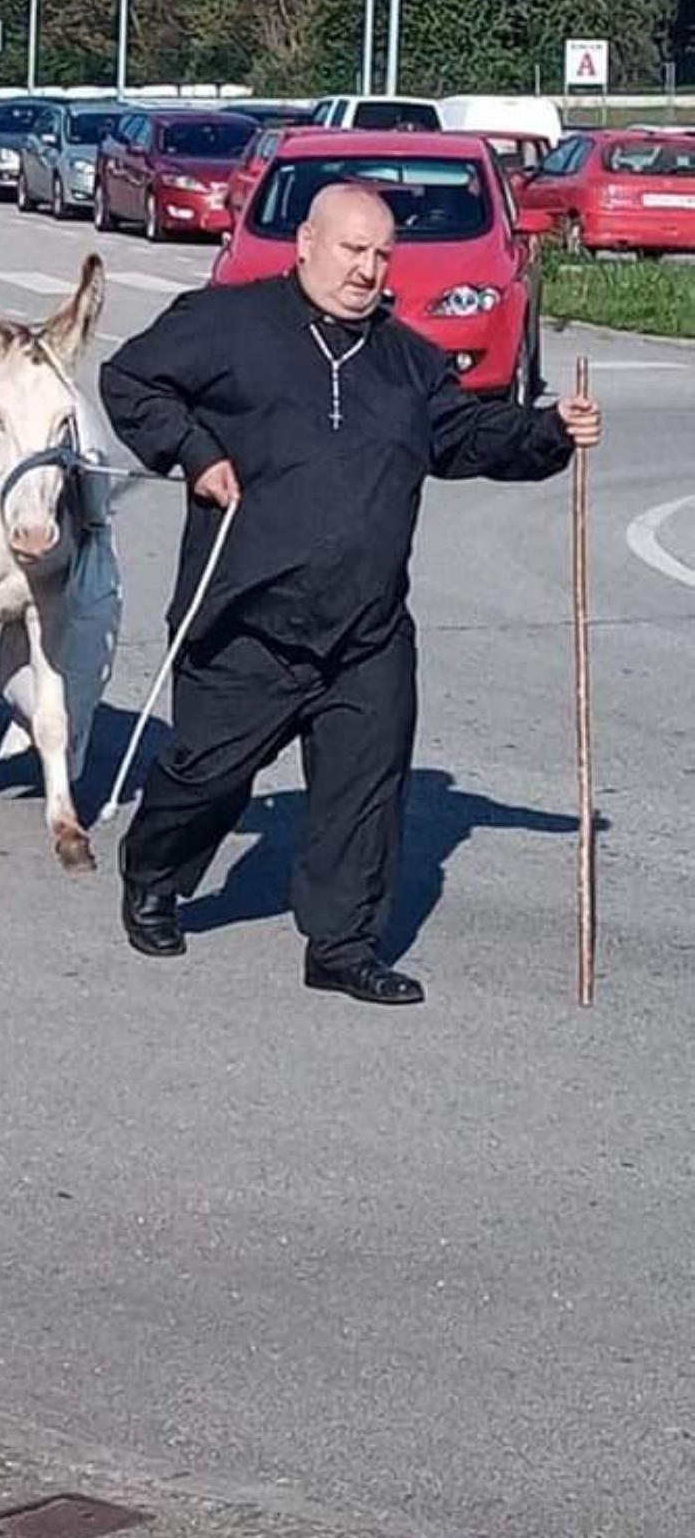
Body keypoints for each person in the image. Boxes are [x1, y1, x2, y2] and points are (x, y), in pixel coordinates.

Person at [98, 182, 602, 1005]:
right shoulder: (228, 322)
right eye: (351, 250)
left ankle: (341, 946)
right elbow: (131, 381)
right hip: (246, 619)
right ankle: (154, 872)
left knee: (363, 790)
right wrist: (193, 452)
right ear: (305, 244)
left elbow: (464, 436)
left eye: (380, 255)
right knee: (207, 776)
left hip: (363, 629)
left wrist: (549, 430)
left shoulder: (408, 362)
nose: (367, 270)